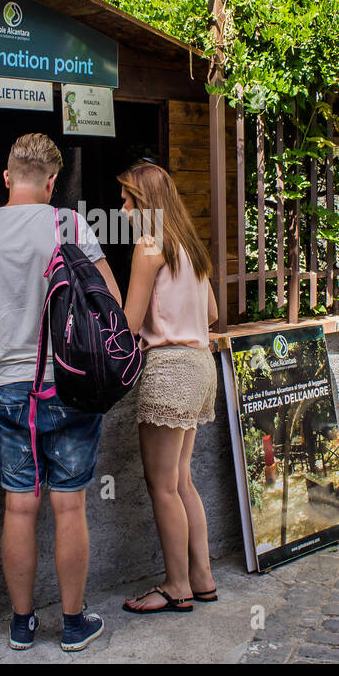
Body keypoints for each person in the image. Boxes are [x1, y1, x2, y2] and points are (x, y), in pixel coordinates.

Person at [0, 133, 123, 652]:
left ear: (6, 177)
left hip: (9, 388)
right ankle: (73, 624)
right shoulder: (68, 224)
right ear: (52, 182)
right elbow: (108, 300)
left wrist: (3, 343)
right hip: (67, 383)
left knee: (19, 506)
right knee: (69, 507)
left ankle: (21, 625)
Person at [116, 159, 219, 615]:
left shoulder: (148, 247)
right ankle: (202, 578)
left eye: (127, 200)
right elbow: (212, 314)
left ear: (146, 204)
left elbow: (127, 324)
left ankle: (176, 585)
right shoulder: (190, 247)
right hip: (201, 367)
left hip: (169, 370)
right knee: (182, 481)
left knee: (161, 485)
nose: (121, 209)